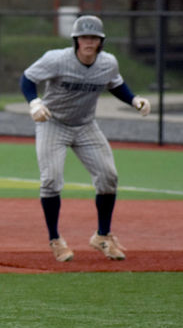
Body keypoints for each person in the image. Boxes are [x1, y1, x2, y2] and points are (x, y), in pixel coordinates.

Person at [19, 14, 151, 262]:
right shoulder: (57, 59)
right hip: (52, 123)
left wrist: (134, 100)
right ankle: (55, 239)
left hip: (85, 125)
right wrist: (34, 102)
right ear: (76, 41)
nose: (89, 42)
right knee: (51, 180)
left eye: (94, 38)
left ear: (101, 42)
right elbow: (27, 78)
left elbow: (115, 84)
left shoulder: (108, 63)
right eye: (84, 37)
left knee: (109, 176)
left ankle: (102, 235)